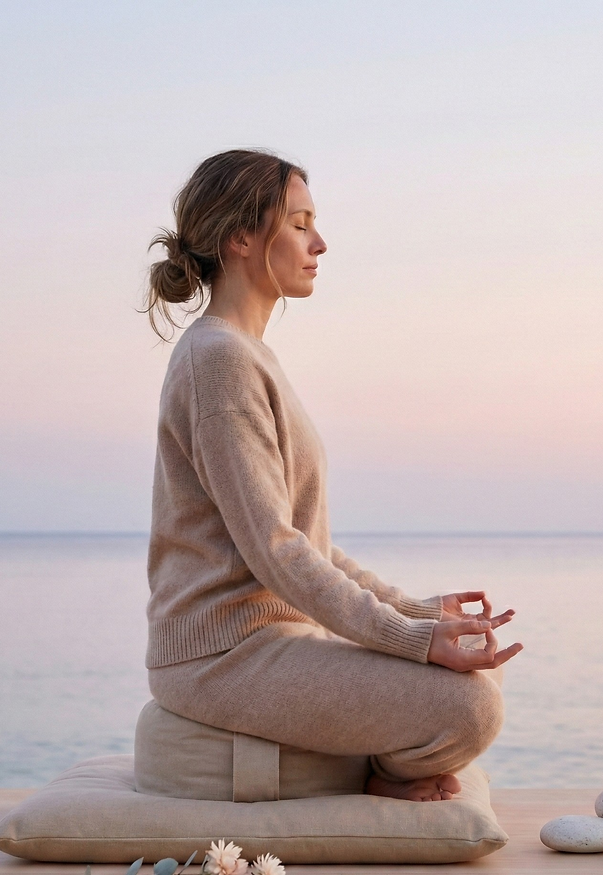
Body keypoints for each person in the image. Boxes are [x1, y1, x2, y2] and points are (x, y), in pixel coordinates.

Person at [142, 149, 522, 803]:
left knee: (478, 682)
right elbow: (277, 549)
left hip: (270, 639)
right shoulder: (218, 361)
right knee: (470, 708)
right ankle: (381, 777)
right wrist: (414, 641)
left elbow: (298, 539)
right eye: (299, 223)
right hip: (221, 656)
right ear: (240, 238)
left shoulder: (245, 356)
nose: (319, 242)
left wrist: (418, 611)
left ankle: (377, 765)